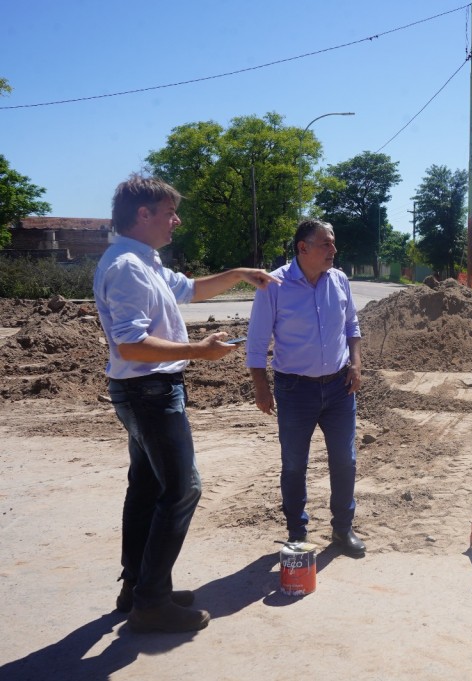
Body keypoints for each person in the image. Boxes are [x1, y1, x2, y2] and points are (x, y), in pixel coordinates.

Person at [93, 173, 280, 634]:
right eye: (169, 213)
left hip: (147, 391)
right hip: (148, 392)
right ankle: (151, 603)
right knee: (182, 489)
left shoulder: (147, 262)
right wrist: (201, 351)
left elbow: (192, 290)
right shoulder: (127, 268)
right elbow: (132, 344)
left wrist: (239, 274)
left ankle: (138, 585)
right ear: (143, 214)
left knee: (148, 487)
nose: (176, 221)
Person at [246, 219, 365, 557]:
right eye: (326, 243)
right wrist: (261, 387)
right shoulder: (274, 285)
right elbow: (256, 342)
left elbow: (351, 326)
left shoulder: (339, 280)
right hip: (295, 390)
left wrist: (355, 363)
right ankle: (297, 533)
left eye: (333, 242)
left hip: (340, 388)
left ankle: (343, 529)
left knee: (345, 460)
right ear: (303, 248)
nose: (333, 250)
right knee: (295, 463)